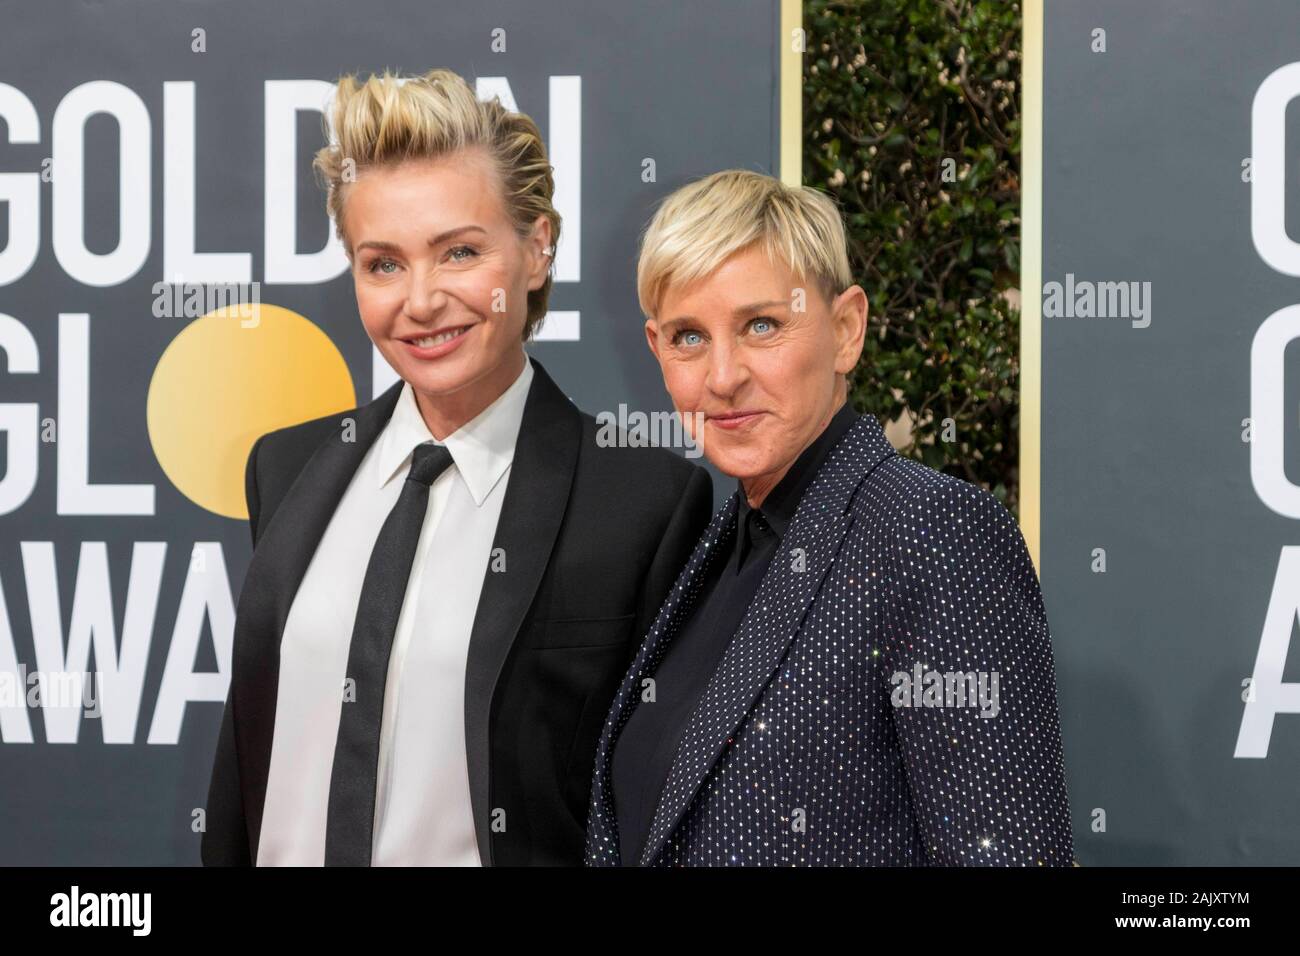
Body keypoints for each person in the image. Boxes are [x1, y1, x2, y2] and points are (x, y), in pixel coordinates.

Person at [201, 69, 712, 867]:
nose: (422, 300)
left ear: (537, 250)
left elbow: (656, 803)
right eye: (383, 264)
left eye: (460, 252)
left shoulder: (643, 499)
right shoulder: (289, 466)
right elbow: (250, 759)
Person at [586, 169, 1074, 866]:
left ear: (846, 329)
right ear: (657, 352)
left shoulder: (929, 531)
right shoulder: (715, 548)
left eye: (761, 326)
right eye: (689, 337)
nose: (722, 376)